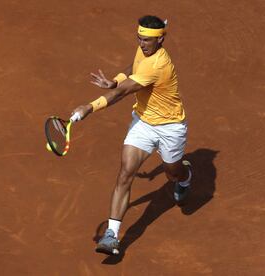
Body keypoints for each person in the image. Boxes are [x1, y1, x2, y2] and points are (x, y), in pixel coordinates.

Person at [71, 15, 192, 255]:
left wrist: (89, 107)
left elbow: (121, 95)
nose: (142, 43)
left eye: (147, 40)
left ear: (161, 40)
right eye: (139, 38)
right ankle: (112, 235)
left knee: (173, 172)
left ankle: (185, 176)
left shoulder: (158, 65)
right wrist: (115, 80)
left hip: (170, 126)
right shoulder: (144, 52)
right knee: (126, 172)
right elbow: (133, 67)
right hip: (144, 123)